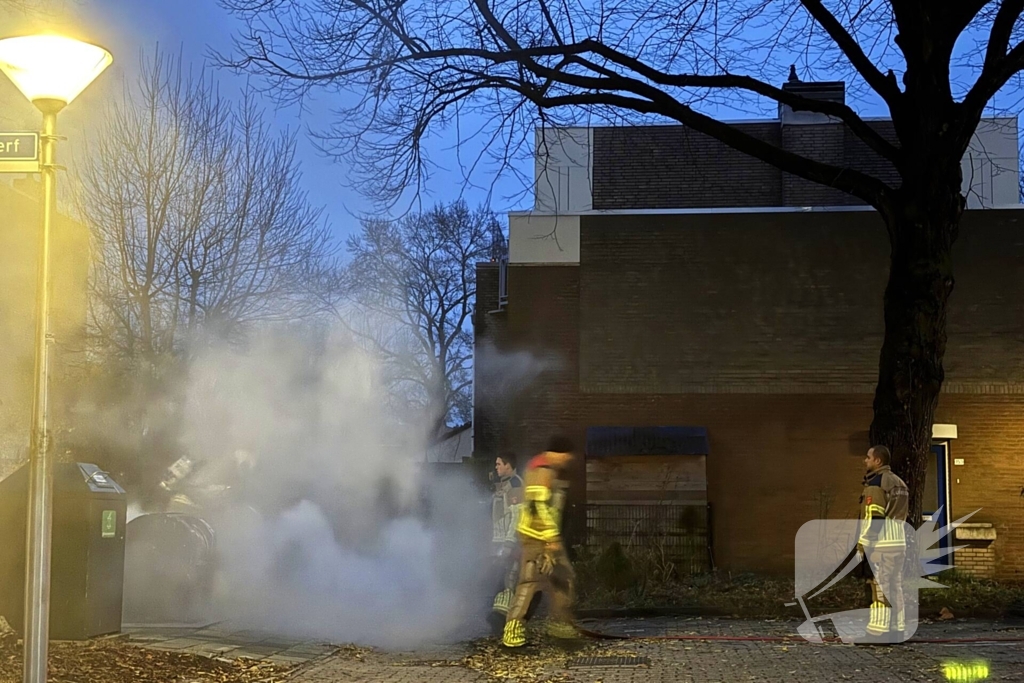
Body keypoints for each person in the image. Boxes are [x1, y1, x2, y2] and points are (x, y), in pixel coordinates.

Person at [502, 435, 577, 648]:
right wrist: (551, 538)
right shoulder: (542, 472)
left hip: (545, 536)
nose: (568, 460)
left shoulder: (547, 471)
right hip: (537, 537)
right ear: (558, 454)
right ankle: (513, 631)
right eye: (566, 456)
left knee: (563, 578)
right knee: (530, 582)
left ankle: (560, 624)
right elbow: (538, 508)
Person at [858, 444, 909, 640]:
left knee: (879, 587)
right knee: (894, 586)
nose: (866, 460)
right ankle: (897, 629)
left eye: (868, 457)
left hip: (881, 545)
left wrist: (865, 544)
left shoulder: (876, 483)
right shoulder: (899, 483)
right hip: (898, 543)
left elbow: (875, 517)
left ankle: (878, 632)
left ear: (877, 461)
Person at [490, 452, 524, 625]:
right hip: (499, 541)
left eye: (498, 464)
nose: (496, 467)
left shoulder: (515, 485)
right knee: (499, 581)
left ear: (508, 465)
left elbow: (517, 517)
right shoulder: (503, 485)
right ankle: (500, 622)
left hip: (509, 542)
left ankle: (508, 622)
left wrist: (509, 544)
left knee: (508, 582)